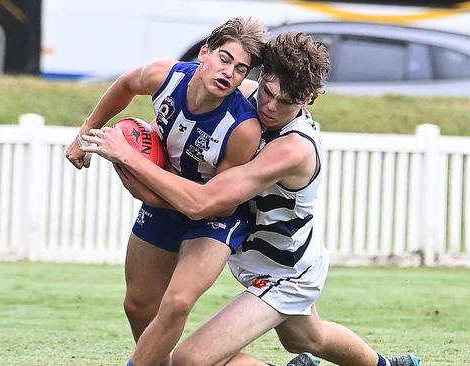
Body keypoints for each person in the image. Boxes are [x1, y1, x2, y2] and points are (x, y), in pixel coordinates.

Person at [82, 32, 420, 366]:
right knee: (307, 338)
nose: (270, 107)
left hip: (285, 271)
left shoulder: (292, 149)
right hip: (252, 252)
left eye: (285, 102)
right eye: (268, 92)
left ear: (306, 102)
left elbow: (203, 203)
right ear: (262, 77)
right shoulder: (244, 93)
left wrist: (129, 157)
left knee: (190, 359)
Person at [66, 17, 267, 366]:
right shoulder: (166, 75)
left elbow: (210, 205)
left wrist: (143, 183)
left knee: (176, 303)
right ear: (204, 53)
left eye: (239, 69)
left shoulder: (242, 128)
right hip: (165, 197)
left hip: (215, 217)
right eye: (223, 58)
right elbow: (126, 84)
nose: (228, 72)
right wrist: (86, 132)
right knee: (139, 304)